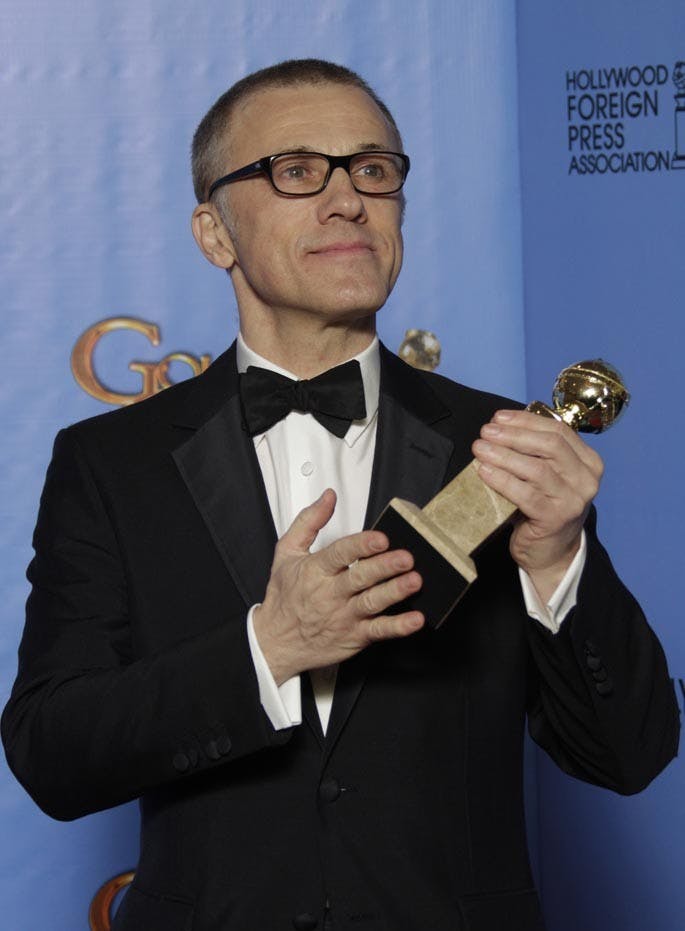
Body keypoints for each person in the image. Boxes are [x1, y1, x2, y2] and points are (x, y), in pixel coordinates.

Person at [2, 59, 678, 931]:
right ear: (215, 234)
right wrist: (268, 648)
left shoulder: (504, 447)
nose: (347, 199)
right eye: (294, 171)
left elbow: (627, 755)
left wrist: (556, 556)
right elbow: (53, 753)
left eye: (373, 169)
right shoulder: (110, 462)